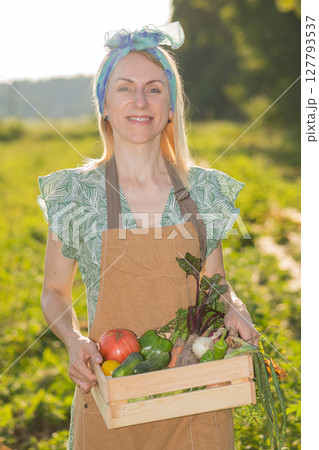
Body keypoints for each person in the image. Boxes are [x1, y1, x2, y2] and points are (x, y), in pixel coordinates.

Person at [38, 22, 259, 450]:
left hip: (197, 398)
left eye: (155, 89)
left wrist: (234, 308)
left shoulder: (204, 192)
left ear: (171, 106)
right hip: (113, 403)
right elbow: (53, 290)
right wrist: (74, 338)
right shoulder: (76, 195)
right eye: (125, 88)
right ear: (103, 103)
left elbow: (216, 284)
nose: (140, 101)